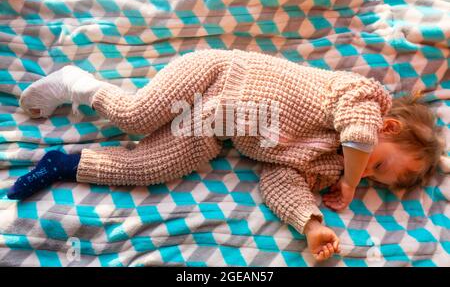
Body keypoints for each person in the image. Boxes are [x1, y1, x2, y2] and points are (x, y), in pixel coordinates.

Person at [9, 49, 444, 261]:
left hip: (217, 128)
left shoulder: (330, 167)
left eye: (373, 180)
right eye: (379, 165)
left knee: (154, 166)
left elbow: (278, 179)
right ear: (389, 128)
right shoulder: (363, 99)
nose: (364, 175)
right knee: (136, 115)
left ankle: (61, 164)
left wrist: (310, 224)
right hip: (220, 76)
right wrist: (352, 179)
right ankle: (76, 83)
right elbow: (358, 134)